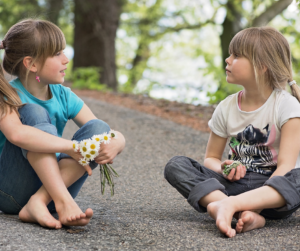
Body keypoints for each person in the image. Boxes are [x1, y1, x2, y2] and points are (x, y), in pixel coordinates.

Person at [164, 27, 300, 238]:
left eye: (236, 56)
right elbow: (211, 158)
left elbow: (285, 167)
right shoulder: (226, 107)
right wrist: (223, 168)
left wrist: (253, 204)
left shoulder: (287, 106)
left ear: (261, 66)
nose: (228, 60)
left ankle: (228, 207)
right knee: (176, 165)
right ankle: (236, 211)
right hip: (232, 185)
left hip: (272, 194)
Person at [0, 19, 125, 229]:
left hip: (52, 192)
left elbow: (102, 131)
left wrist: (118, 142)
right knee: (32, 112)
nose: (66, 60)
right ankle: (63, 202)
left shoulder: (64, 95)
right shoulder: (7, 95)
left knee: (98, 128)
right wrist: (72, 147)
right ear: (32, 64)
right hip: (11, 192)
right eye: (57, 54)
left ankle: (39, 202)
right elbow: (17, 135)